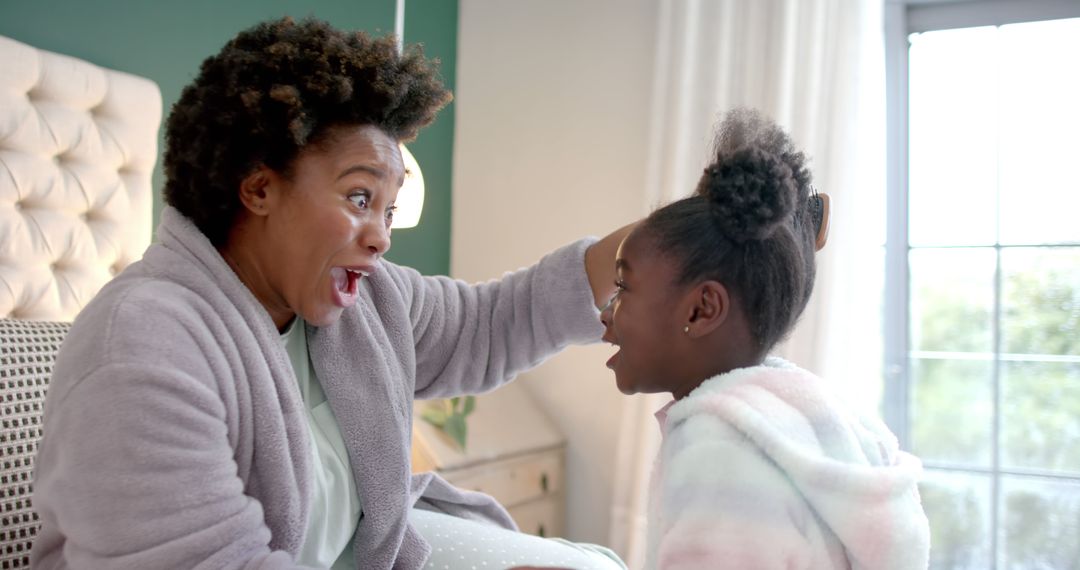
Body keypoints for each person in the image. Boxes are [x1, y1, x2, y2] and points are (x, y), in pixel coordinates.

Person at [31, 17, 628, 570]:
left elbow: (489, 323)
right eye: (360, 199)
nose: (382, 239)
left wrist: (641, 249)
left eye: (389, 211)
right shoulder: (144, 347)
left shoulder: (362, 301)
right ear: (259, 188)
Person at [596, 108, 931, 569]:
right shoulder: (805, 420)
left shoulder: (718, 453)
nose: (605, 314)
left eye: (623, 288)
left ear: (701, 309)